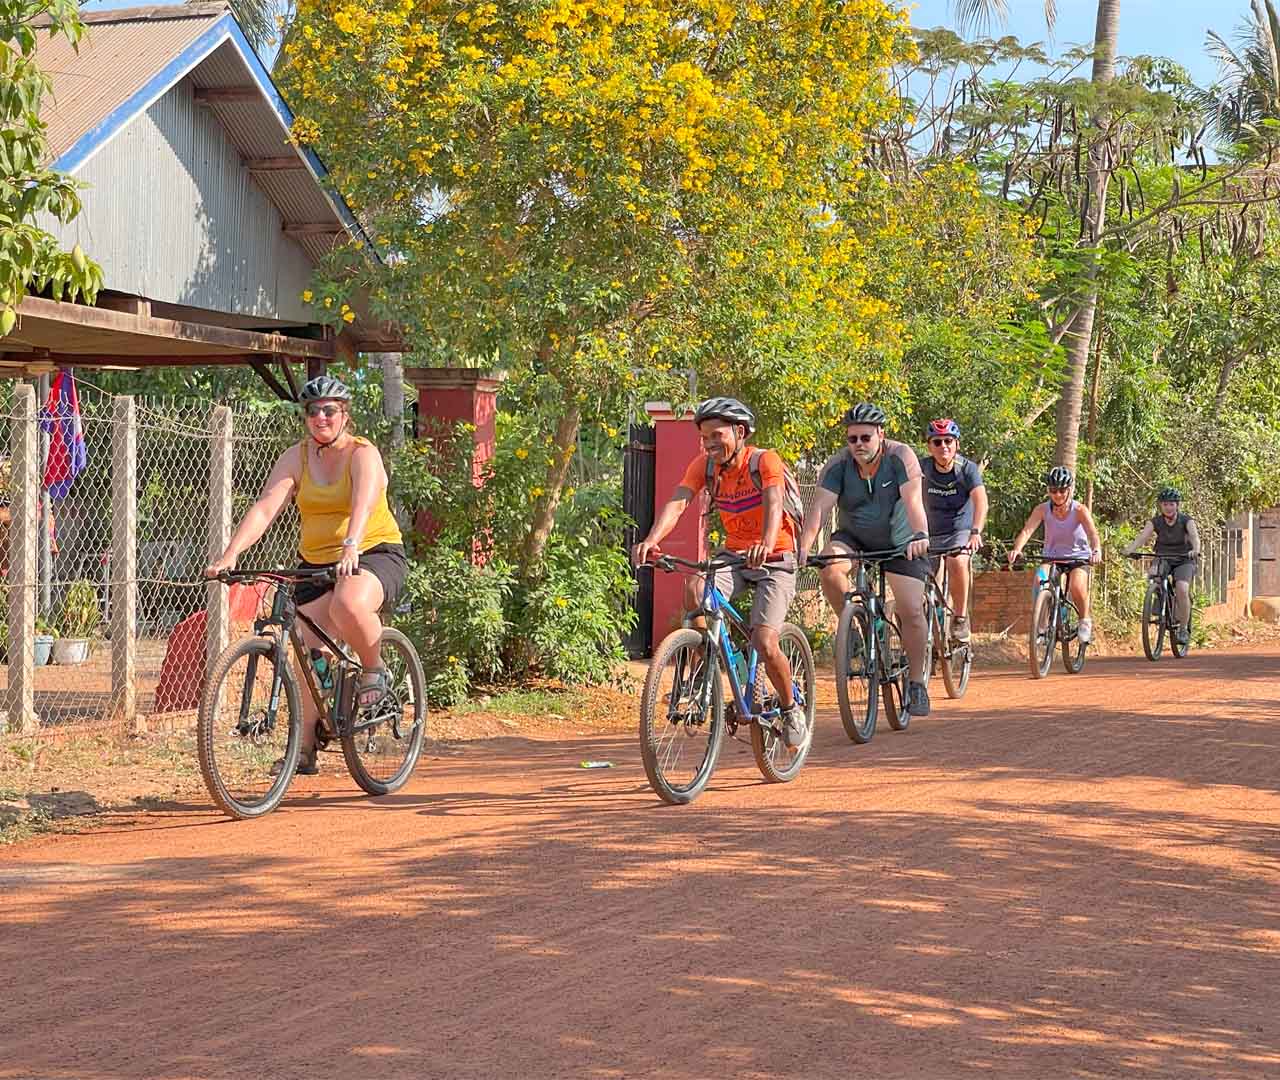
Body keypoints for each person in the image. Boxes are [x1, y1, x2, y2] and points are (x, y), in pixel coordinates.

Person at [204, 375, 407, 776]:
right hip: (316, 562)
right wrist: (229, 555)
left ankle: (374, 670)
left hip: (371, 553)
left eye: (329, 410)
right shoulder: (296, 457)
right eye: (312, 411)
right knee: (304, 647)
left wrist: (351, 545)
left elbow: (364, 504)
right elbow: (265, 507)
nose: (320, 417)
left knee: (349, 603)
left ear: (344, 415)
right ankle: (305, 744)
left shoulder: (362, 454)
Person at [632, 396, 807, 748]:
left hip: (775, 558)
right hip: (734, 555)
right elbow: (678, 502)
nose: (709, 443)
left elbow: (774, 503)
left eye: (716, 435)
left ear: (740, 432)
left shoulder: (764, 461)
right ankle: (702, 675)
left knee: (765, 640)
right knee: (696, 590)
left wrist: (766, 542)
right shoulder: (705, 467)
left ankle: (791, 709)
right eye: (704, 437)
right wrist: (651, 539)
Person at [797, 403, 933, 720]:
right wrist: (804, 547)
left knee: (911, 609)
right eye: (852, 438)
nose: (858, 444)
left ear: (880, 435)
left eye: (865, 438)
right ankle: (856, 632)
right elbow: (819, 508)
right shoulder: (838, 465)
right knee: (830, 570)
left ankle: (915, 683)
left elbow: (913, 500)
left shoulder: (901, 457)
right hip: (854, 539)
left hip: (901, 543)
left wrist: (920, 534)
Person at [1008, 466, 1102, 643]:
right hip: (1052, 557)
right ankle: (1042, 628)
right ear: (1048, 490)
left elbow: (1092, 534)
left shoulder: (1080, 510)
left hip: (1078, 558)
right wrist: (1017, 549)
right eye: (1053, 490)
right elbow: (1027, 531)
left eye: (1061, 490)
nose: (1057, 495)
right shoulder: (1042, 509)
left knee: (1076, 586)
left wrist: (1096, 550)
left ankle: (1085, 621)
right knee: (1039, 579)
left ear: (1069, 490)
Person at [919, 418, 987, 642]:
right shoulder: (923, 468)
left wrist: (976, 531)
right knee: (917, 576)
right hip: (929, 532)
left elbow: (981, 501)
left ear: (956, 444)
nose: (943, 446)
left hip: (960, 530)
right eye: (937, 442)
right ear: (929, 446)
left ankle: (959, 617)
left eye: (948, 441)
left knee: (957, 561)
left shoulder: (967, 469)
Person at [1123, 486, 1200, 646]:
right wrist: (1129, 550)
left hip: (1183, 559)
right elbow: (1142, 537)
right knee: (1153, 575)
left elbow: (1194, 537)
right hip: (1162, 556)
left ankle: (1183, 629)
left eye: (1171, 504)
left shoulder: (1187, 521)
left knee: (1182, 589)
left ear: (1177, 505)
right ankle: (1159, 600)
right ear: (1160, 506)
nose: (1168, 507)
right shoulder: (1155, 522)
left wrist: (1196, 550)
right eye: (1165, 504)